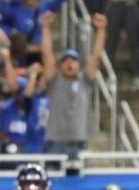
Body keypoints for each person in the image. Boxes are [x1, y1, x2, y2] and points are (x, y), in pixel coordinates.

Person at [40, 11, 107, 159]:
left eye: (74, 60)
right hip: (55, 142)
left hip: (79, 142)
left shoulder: (85, 81)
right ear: (60, 66)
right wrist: (45, 28)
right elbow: (47, 54)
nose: (70, 63)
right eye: (66, 60)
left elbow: (96, 55)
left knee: (79, 182)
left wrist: (101, 30)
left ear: (79, 65)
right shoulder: (54, 80)